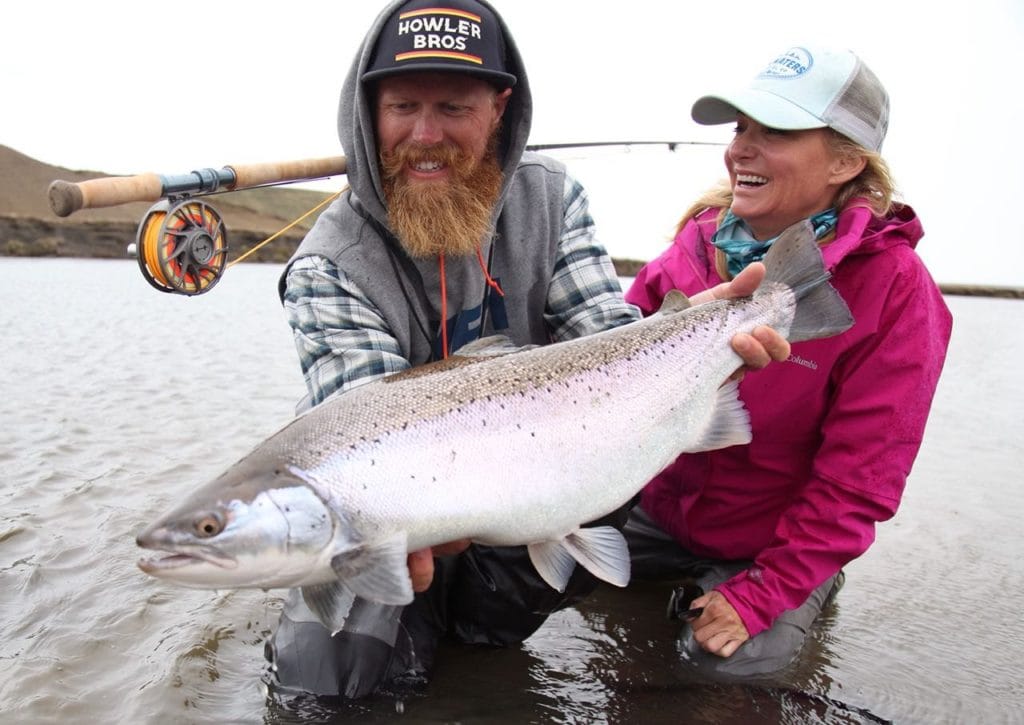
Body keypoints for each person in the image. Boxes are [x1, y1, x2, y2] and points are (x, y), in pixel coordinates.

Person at [266, 0, 788, 699]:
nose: (425, 135)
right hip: (394, 504)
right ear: (369, 111)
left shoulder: (553, 200)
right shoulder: (327, 264)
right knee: (326, 687)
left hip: (531, 474)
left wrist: (682, 336)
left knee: (570, 512)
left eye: (453, 108)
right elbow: (372, 434)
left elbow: (605, 340)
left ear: (500, 109)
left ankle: (476, 631)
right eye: (402, 107)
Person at [624, 45, 953, 679]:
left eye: (774, 131)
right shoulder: (689, 248)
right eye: (741, 128)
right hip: (653, 512)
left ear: (845, 162)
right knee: (502, 577)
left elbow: (859, 482)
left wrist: (758, 595)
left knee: (726, 671)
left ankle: (800, 591)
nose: (741, 148)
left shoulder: (897, 290)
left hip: (765, 545)